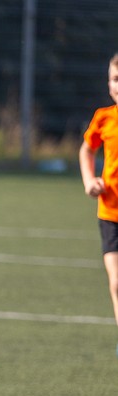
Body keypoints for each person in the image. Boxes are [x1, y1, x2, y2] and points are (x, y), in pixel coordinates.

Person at [79, 52, 118, 353]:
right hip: (110, 212)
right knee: (116, 281)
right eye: (115, 79)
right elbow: (86, 150)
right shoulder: (103, 117)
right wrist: (89, 181)